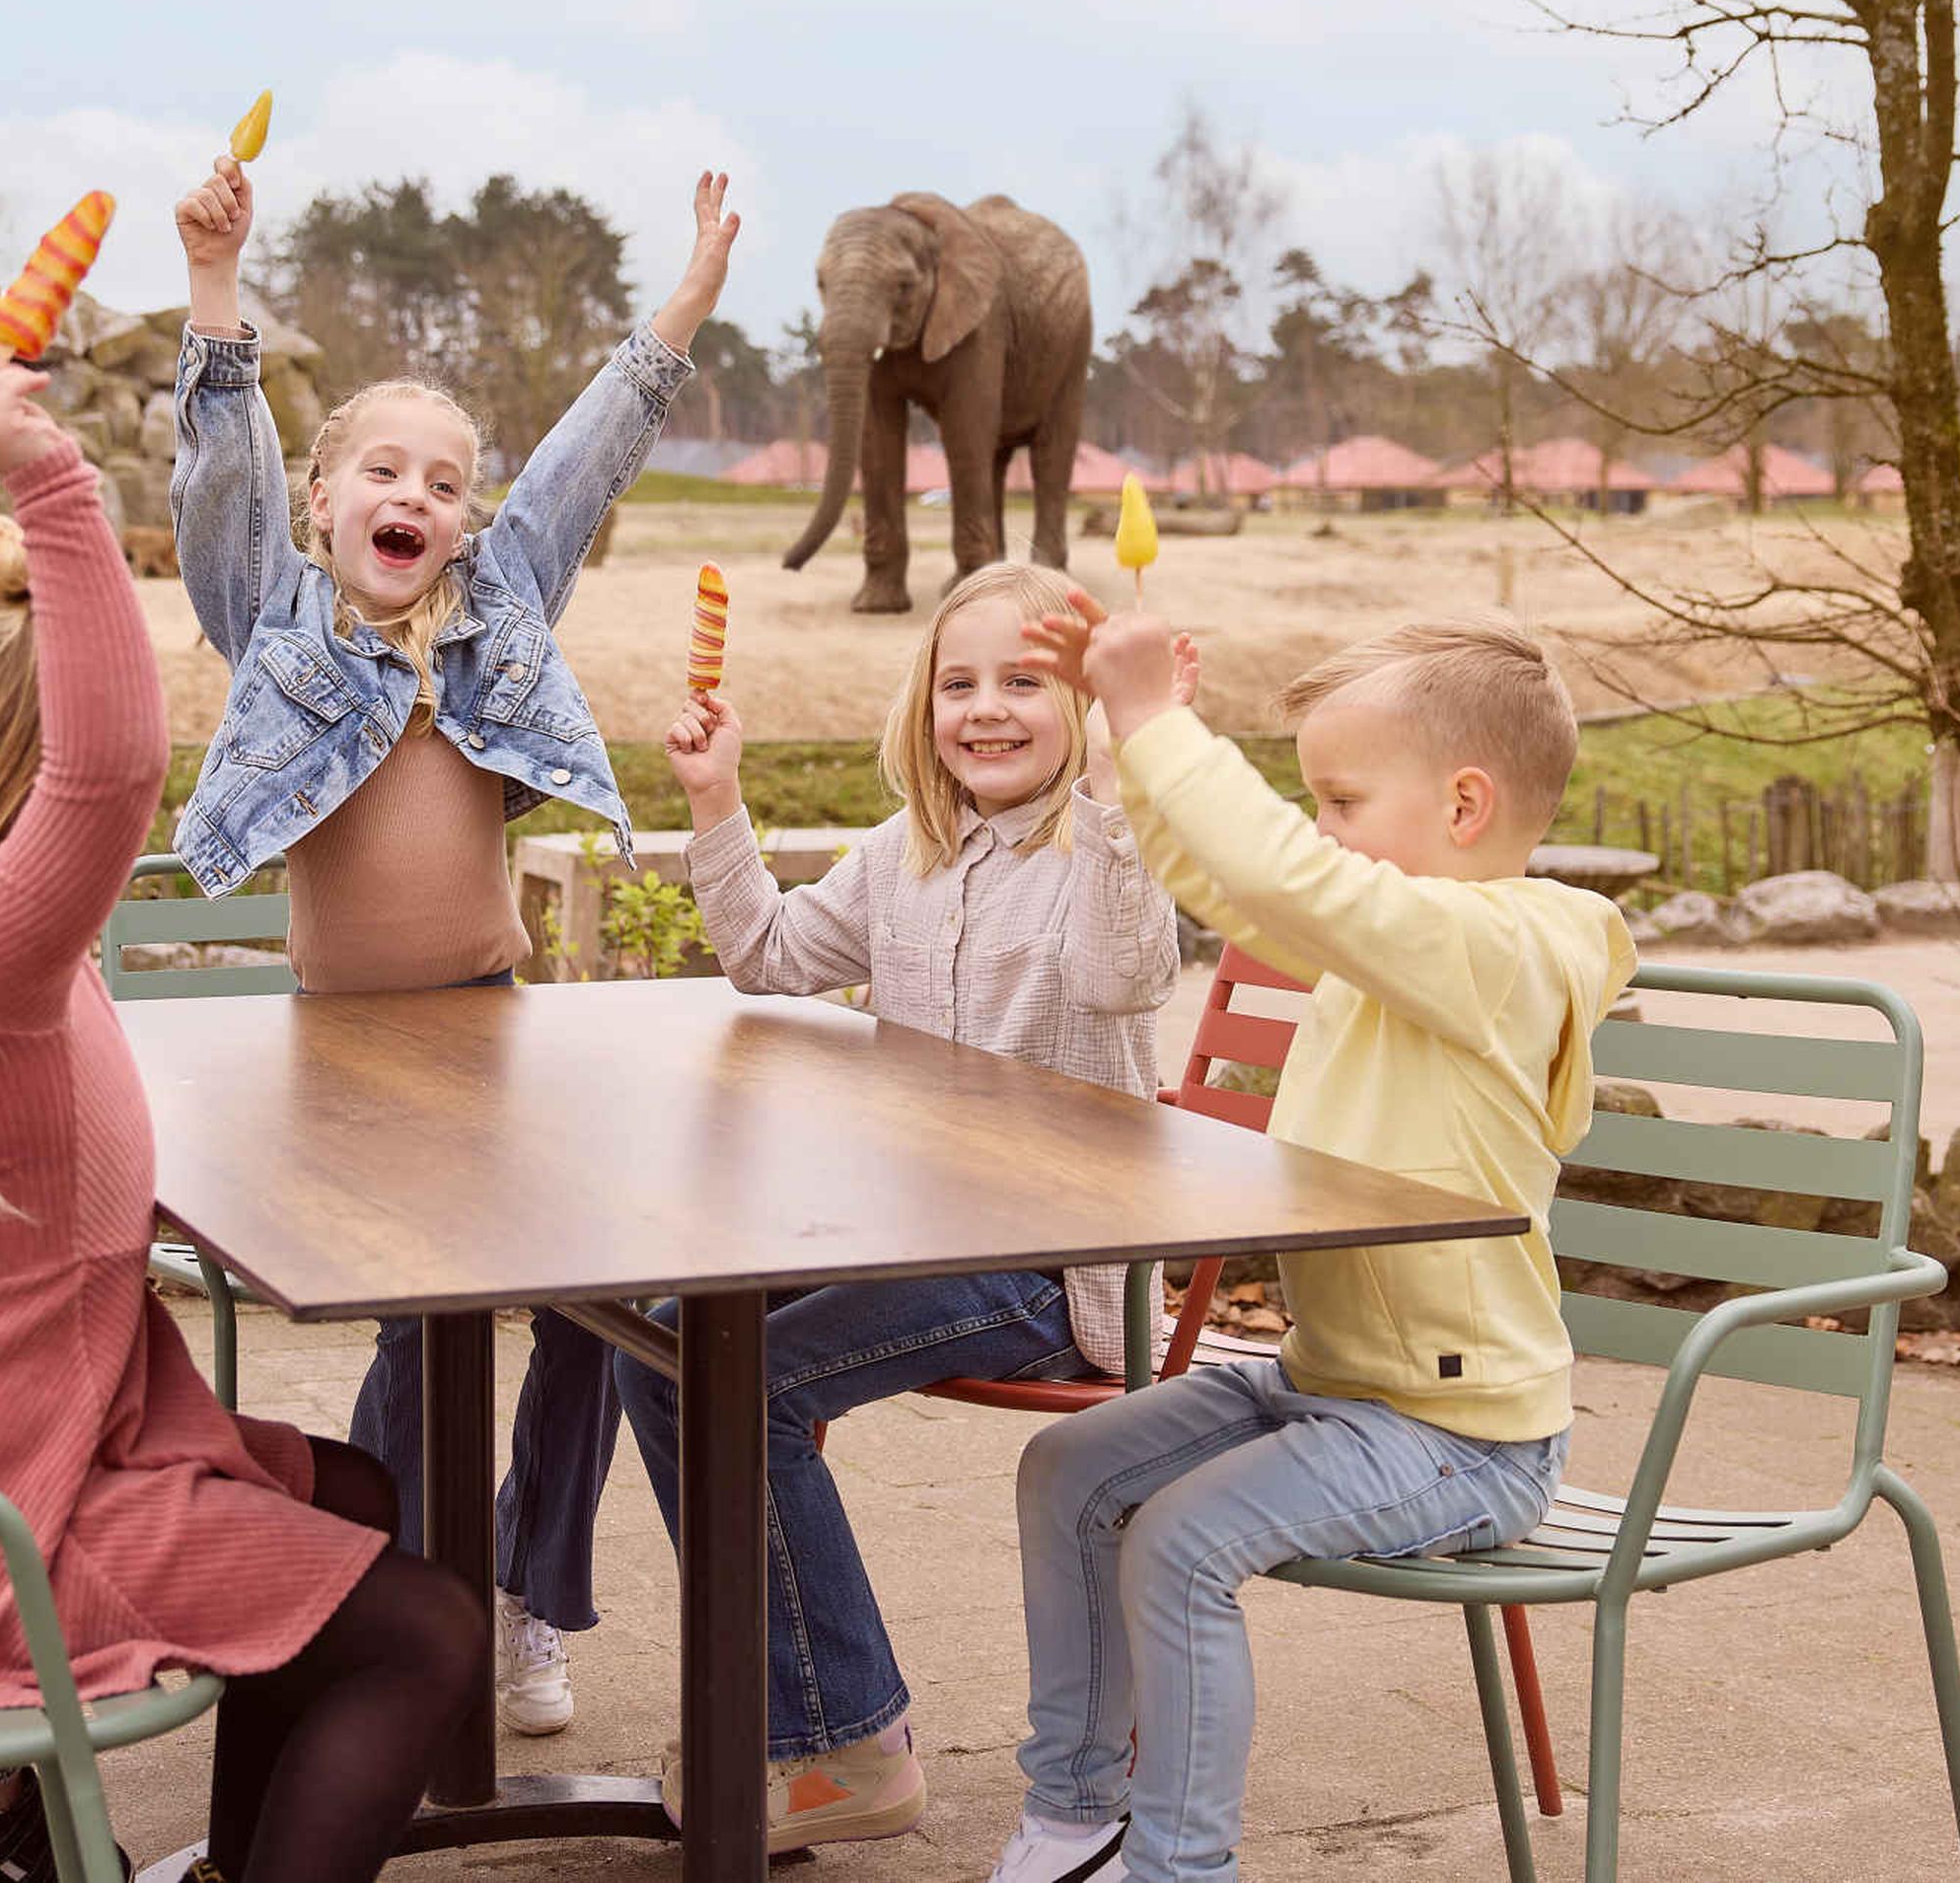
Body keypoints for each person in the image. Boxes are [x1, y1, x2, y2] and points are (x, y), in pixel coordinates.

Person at [0, 261, 478, 1883]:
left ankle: (189, 1852)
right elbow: (116, 763)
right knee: (427, 1634)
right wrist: (52, 479)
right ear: (13, 778)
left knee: (357, 1483)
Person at [165, 151, 740, 1735]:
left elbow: (592, 451)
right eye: (382, 472)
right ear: (325, 498)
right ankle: (396, 1600)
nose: (413, 498)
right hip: (341, 1057)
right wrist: (217, 287)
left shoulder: (504, 606)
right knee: (427, 1329)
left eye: (442, 481)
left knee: (591, 1304)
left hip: (495, 1031)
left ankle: (526, 1599)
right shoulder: (272, 617)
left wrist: (690, 288)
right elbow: (221, 473)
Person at [979, 604, 1633, 1883]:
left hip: (1465, 1439)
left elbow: (1288, 877)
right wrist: (1131, 725)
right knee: (1069, 1473)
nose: (1321, 828)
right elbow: (1236, 884)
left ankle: (1181, 1869)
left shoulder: (1499, 949)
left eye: (1340, 798)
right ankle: (1075, 1820)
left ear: (1461, 806)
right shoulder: (1396, 948)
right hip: (1335, 1388)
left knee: (1180, 1542)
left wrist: (1167, 722)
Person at [611, 561, 1187, 1849]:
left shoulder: (1117, 851)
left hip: (1057, 1268)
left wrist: (1109, 782)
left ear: (1086, 705)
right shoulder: (904, 854)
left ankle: (838, 1743)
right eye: (959, 682)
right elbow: (768, 957)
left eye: (1027, 684)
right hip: (909, 1243)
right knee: (661, 1338)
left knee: (745, 1377)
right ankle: (785, 1713)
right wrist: (716, 802)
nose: (987, 709)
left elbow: (1115, 974)